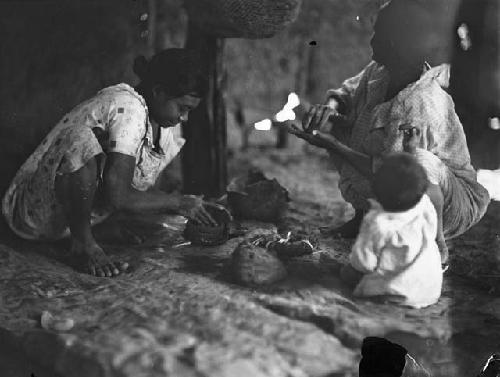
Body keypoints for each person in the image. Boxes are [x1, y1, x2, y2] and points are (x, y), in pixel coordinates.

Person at [286, 0, 490, 260]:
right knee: (355, 119)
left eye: (377, 33)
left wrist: (330, 144)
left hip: (449, 201)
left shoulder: (420, 103)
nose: (371, 40)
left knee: (419, 161)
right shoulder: (382, 71)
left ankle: (429, 239)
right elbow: (346, 92)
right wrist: (329, 107)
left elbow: (390, 170)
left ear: (394, 43)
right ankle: (362, 217)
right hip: (396, 174)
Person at [2, 48, 222, 278]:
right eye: (183, 108)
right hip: (33, 216)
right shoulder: (129, 108)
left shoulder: (163, 126)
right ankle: (83, 245)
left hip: (66, 221)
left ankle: (93, 229)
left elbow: (129, 185)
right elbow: (119, 196)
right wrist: (179, 202)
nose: (184, 117)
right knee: (80, 140)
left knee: (113, 164)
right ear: (158, 91)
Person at [340, 153, 443, 309]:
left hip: (394, 293)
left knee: (347, 273)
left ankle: (383, 294)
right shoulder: (425, 205)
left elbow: (363, 264)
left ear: (375, 191)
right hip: (430, 289)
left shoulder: (377, 223)